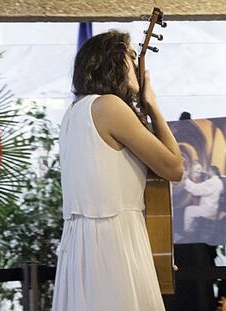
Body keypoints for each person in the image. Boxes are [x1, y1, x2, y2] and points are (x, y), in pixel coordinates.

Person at [52, 30, 183, 311]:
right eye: (132, 56)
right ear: (110, 61)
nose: (138, 66)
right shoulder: (108, 106)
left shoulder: (73, 113)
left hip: (81, 246)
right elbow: (174, 167)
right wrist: (155, 107)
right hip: (114, 244)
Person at [183, 165, 224, 233]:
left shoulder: (212, 182)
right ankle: (193, 227)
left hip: (208, 211)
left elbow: (196, 189)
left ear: (212, 171)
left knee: (189, 210)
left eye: (208, 171)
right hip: (214, 209)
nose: (207, 172)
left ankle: (188, 231)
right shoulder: (219, 182)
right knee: (194, 208)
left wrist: (185, 179)